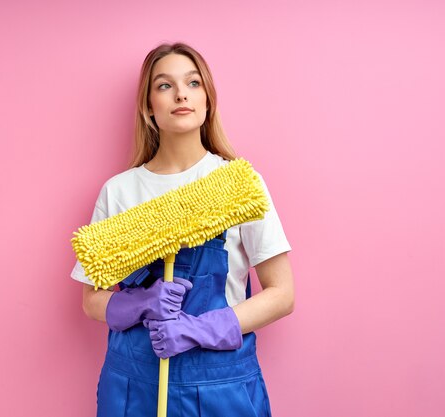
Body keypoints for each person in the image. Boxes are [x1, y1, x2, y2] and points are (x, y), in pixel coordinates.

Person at [71, 42, 295, 417]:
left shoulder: (238, 184)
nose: (180, 94)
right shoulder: (120, 191)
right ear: (148, 106)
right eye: (164, 85)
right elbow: (91, 301)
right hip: (133, 385)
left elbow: (282, 294)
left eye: (193, 83)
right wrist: (140, 304)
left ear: (208, 99)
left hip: (220, 385)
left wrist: (197, 329)